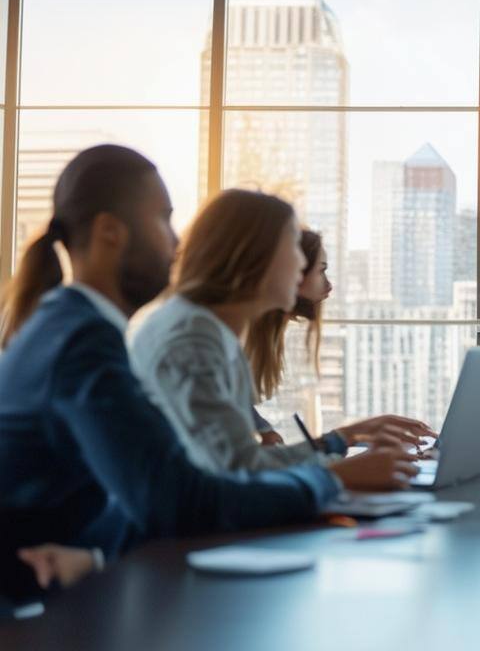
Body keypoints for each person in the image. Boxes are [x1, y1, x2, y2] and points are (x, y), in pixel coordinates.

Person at [0, 146, 416, 601]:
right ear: (109, 233)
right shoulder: (83, 342)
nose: (177, 244)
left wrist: (96, 554)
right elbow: (183, 499)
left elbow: (155, 488)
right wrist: (332, 478)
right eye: (163, 220)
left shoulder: (73, 326)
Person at [131, 189, 434, 474]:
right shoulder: (192, 338)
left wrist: (344, 438)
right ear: (255, 256)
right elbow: (240, 475)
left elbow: (244, 463)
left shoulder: (206, 329)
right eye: (293, 247)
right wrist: (339, 475)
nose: (302, 263)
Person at [244, 228, 331, 446]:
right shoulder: (233, 336)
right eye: (320, 271)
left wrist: (265, 430)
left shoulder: (263, 333)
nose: (329, 286)